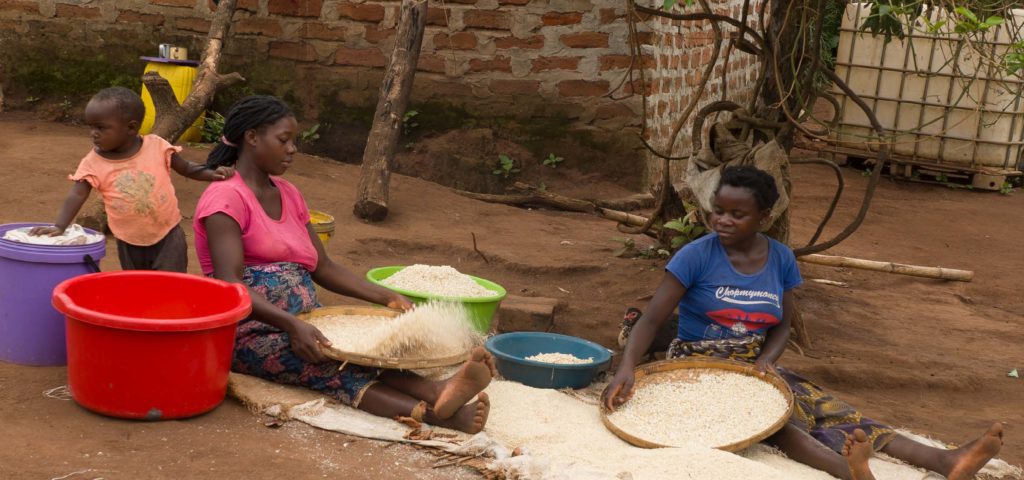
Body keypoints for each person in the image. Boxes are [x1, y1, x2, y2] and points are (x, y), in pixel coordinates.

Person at [602, 165, 1003, 480]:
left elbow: (782, 322)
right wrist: (626, 367)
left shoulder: (779, 258)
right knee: (777, 420)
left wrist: (768, 361)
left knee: (831, 409)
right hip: (697, 366)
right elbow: (652, 319)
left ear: (764, 216)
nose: (723, 220)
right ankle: (849, 471)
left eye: (737, 214)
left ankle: (945, 461)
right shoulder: (695, 256)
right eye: (718, 211)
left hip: (752, 363)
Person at [193, 95, 492, 433]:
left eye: (294, 140)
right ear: (251, 137)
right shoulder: (224, 198)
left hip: (306, 321)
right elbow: (232, 285)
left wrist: (386, 298)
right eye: (284, 140)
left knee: (367, 351)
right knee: (332, 366)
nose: (292, 149)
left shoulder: (289, 194)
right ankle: (437, 415)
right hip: (249, 332)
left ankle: (438, 390)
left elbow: (324, 267)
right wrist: (291, 326)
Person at [30, 87, 234, 272]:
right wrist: (59, 226)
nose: (93, 134)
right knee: (137, 288)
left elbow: (188, 169)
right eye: (91, 127)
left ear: (131, 127)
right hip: (128, 240)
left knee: (170, 287)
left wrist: (211, 174)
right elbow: (77, 193)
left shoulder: (157, 146)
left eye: (101, 128)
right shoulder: (93, 162)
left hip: (168, 235)